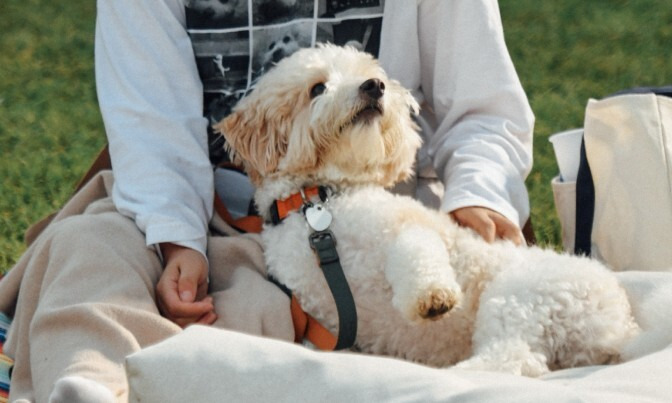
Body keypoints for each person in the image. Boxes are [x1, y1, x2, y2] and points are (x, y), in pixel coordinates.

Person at [0, 0, 533, 401]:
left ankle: (179, 376)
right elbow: (149, 124)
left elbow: (482, 107)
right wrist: (178, 241)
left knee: (266, 314)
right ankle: (90, 385)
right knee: (86, 248)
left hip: (373, 225)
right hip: (206, 217)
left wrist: (479, 196)